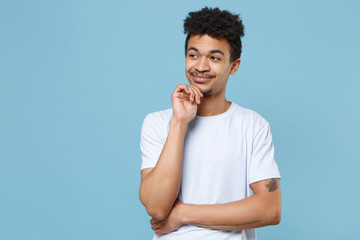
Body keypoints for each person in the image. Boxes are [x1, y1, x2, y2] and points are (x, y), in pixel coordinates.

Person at [139, 7, 281, 240]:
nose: (201, 66)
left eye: (214, 58)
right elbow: (156, 208)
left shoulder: (253, 125)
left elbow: (270, 209)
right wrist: (179, 123)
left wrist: (184, 213)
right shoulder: (157, 122)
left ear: (233, 66)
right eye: (193, 55)